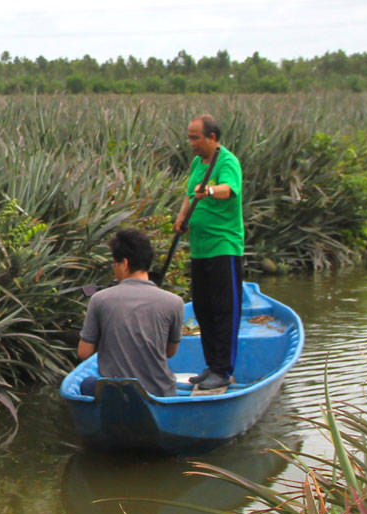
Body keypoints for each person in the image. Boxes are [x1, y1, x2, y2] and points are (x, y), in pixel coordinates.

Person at [173, 114, 244, 392]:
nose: (190, 143)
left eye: (195, 137)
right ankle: (211, 365)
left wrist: (211, 190)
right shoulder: (196, 163)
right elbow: (189, 194)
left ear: (211, 138)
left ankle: (223, 370)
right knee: (202, 308)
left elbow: (229, 190)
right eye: (189, 137)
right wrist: (181, 218)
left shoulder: (227, 161)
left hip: (223, 246)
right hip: (199, 247)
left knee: (223, 309)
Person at [78, 229, 184, 397]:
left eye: (114, 263)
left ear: (124, 263)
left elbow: (84, 353)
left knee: (87, 384)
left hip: (116, 394)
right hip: (160, 392)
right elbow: (169, 352)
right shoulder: (174, 302)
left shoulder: (99, 299)